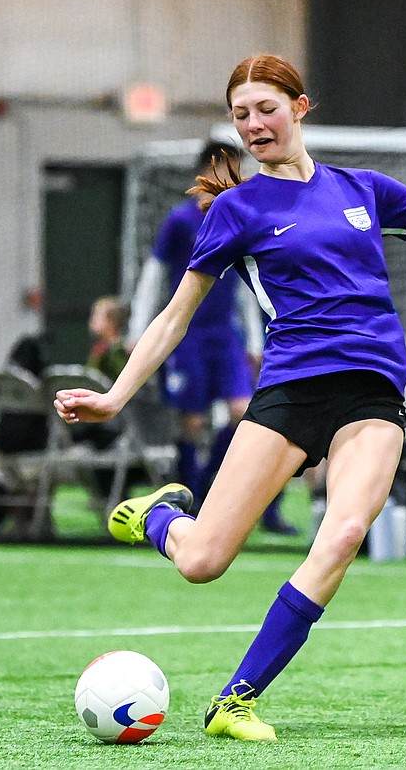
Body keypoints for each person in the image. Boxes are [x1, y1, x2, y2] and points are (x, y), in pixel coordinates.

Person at [54, 54, 406, 741]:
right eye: (241, 115)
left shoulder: (364, 189)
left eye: (266, 108)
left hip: (374, 390)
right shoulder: (236, 209)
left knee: (345, 534)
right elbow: (175, 316)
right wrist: (116, 396)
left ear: (300, 107)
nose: (254, 124)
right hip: (292, 389)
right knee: (203, 562)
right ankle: (156, 517)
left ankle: (235, 701)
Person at [129, 142, 296, 535]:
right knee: (192, 421)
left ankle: (245, 500)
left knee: (246, 414)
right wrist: (138, 330)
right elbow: (154, 274)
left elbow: (244, 285)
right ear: (207, 169)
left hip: (226, 337)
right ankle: (187, 498)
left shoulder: (240, 218)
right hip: (188, 337)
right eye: (228, 168)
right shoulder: (180, 220)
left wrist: (254, 340)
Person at [86, 296, 130, 382]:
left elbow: (120, 374)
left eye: (98, 316)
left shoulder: (120, 349)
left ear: (112, 321)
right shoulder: (100, 347)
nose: (93, 321)